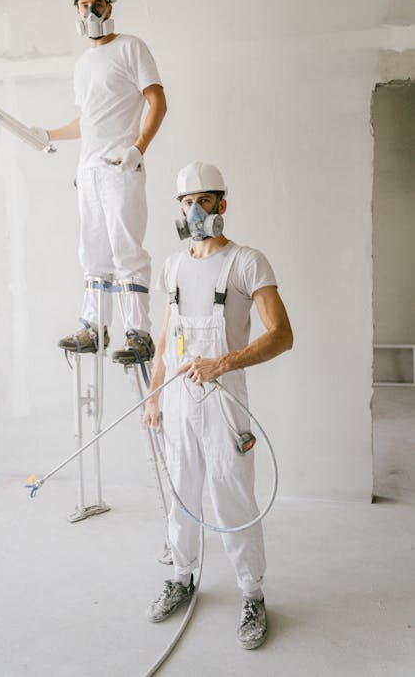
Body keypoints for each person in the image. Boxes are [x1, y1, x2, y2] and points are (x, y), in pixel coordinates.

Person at [141, 161, 293, 650]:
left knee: (232, 499)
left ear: (221, 205)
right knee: (182, 495)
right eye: (186, 202)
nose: (194, 209)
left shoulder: (247, 263)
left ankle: (252, 594)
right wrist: (155, 390)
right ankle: (182, 578)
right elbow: (166, 334)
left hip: (225, 402)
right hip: (180, 400)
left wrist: (224, 363)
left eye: (203, 200)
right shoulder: (173, 265)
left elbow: (282, 336)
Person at [39, 0, 167, 362]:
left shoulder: (131, 48)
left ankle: (138, 333)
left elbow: (157, 100)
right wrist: (48, 135)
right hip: (90, 170)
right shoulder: (83, 64)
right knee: (92, 252)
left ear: (110, 5)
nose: (91, 11)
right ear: (76, 13)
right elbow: (89, 120)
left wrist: (138, 148)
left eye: (97, 3)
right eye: (83, 6)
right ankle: (94, 328)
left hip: (120, 166)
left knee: (126, 249)